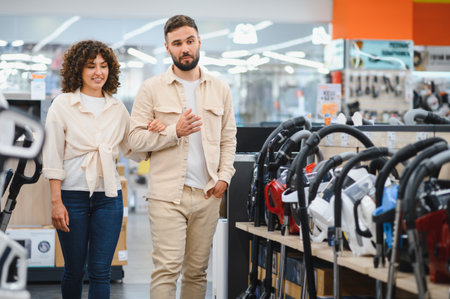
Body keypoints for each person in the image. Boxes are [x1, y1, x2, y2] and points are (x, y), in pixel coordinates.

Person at [128, 15, 237, 299]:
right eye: (177, 43)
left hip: (207, 194)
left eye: (189, 41)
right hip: (166, 196)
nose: (184, 48)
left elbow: (228, 138)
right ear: (167, 48)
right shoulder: (151, 88)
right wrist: (172, 131)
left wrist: (224, 177)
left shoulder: (219, 88)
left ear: (199, 42)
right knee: (166, 269)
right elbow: (135, 141)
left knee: (197, 271)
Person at [42, 40, 146, 299]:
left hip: (108, 198)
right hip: (71, 197)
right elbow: (52, 157)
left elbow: (132, 148)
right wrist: (56, 202)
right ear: (79, 69)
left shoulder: (117, 107)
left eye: (103, 65)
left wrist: (154, 133)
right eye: (91, 66)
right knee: (74, 270)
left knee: (101, 271)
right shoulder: (63, 105)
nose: (98, 72)